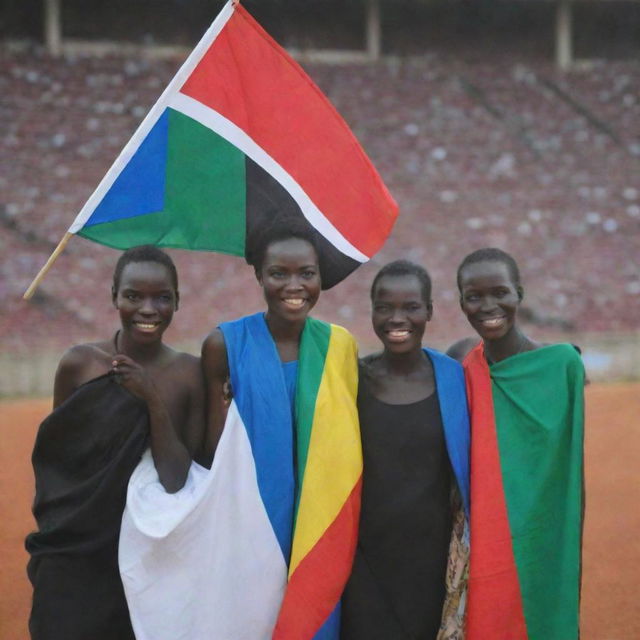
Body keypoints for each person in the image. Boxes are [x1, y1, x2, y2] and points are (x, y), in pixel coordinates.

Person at [118, 221, 362, 640]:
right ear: (259, 276)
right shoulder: (226, 344)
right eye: (279, 273)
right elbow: (211, 455)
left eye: (306, 273)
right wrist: (235, 413)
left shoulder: (340, 346)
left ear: (321, 277)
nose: (294, 285)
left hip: (318, 517)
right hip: (250, 519)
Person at [25, 245, 204, 640]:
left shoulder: (191, 375)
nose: (148, 308)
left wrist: (151, 398)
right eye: (133, 296)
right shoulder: (79, 364)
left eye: (162, 297)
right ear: (114, 297)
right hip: (74, 548)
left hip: (145, 555)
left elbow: (177, 481)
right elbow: (58, 468)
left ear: (178, 301)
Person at [450, 248, 585, 640]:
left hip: (547, 537)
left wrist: (571, 552)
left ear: (519, 294)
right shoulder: (464, 369)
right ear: (460, 302)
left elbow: (572, 469)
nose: (488, 306)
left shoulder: (562, 365)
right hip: (488, 539)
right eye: (474, 296)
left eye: (500, 293)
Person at [341, 260, 470, 640]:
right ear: (372, 312)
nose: (397, 318)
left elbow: (513, 366)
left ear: (429, 310)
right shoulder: (350, 379)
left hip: (431, 563)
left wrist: (562, 361)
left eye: (411, 307)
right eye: (384, 307)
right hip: (363, 562)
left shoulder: (454, 378)